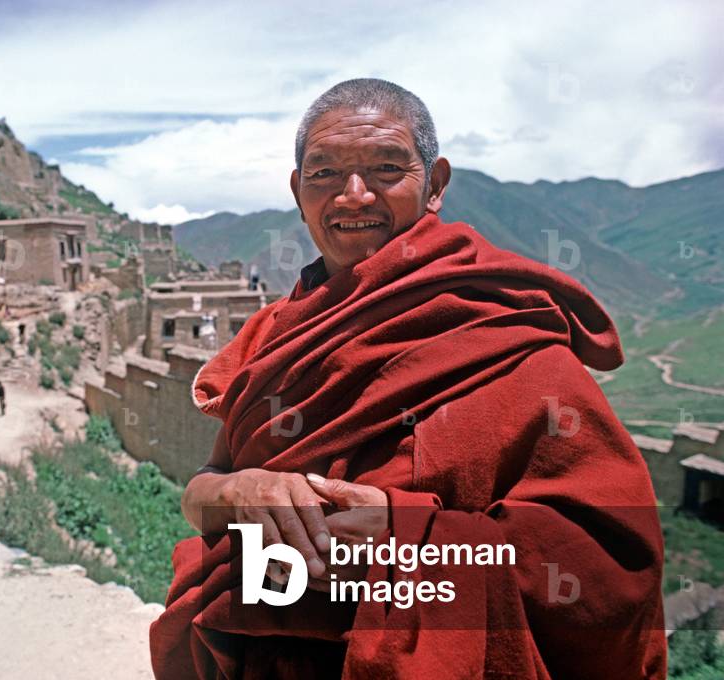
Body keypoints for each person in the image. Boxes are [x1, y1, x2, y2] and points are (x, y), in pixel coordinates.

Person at [149, 79, 666, 679]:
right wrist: (239, 494)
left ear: (436, 184)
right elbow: (206, 488)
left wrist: (410, 537)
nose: (353, 196)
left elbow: (611, 572)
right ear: (297, 190)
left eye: (387, 168)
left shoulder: (509, 342)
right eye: (324, 174)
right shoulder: (278, 336)